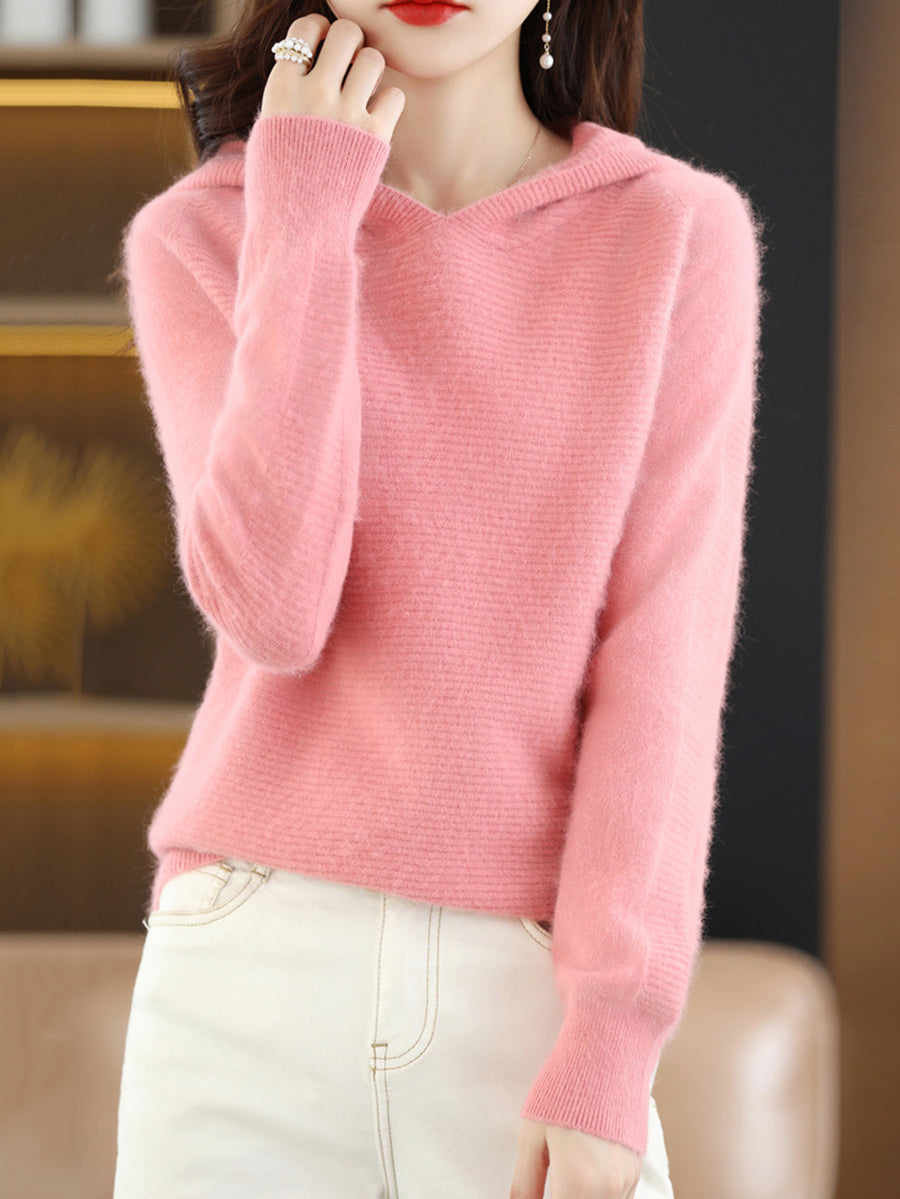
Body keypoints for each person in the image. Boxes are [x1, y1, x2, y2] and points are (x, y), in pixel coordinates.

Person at [111, 1, 767, 1196]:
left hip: (529, 996)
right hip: (246, 992)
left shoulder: (676, 233)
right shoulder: (202, 232)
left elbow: (662, 675)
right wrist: (303, 216)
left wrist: (611, 1044)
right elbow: (273, 609)